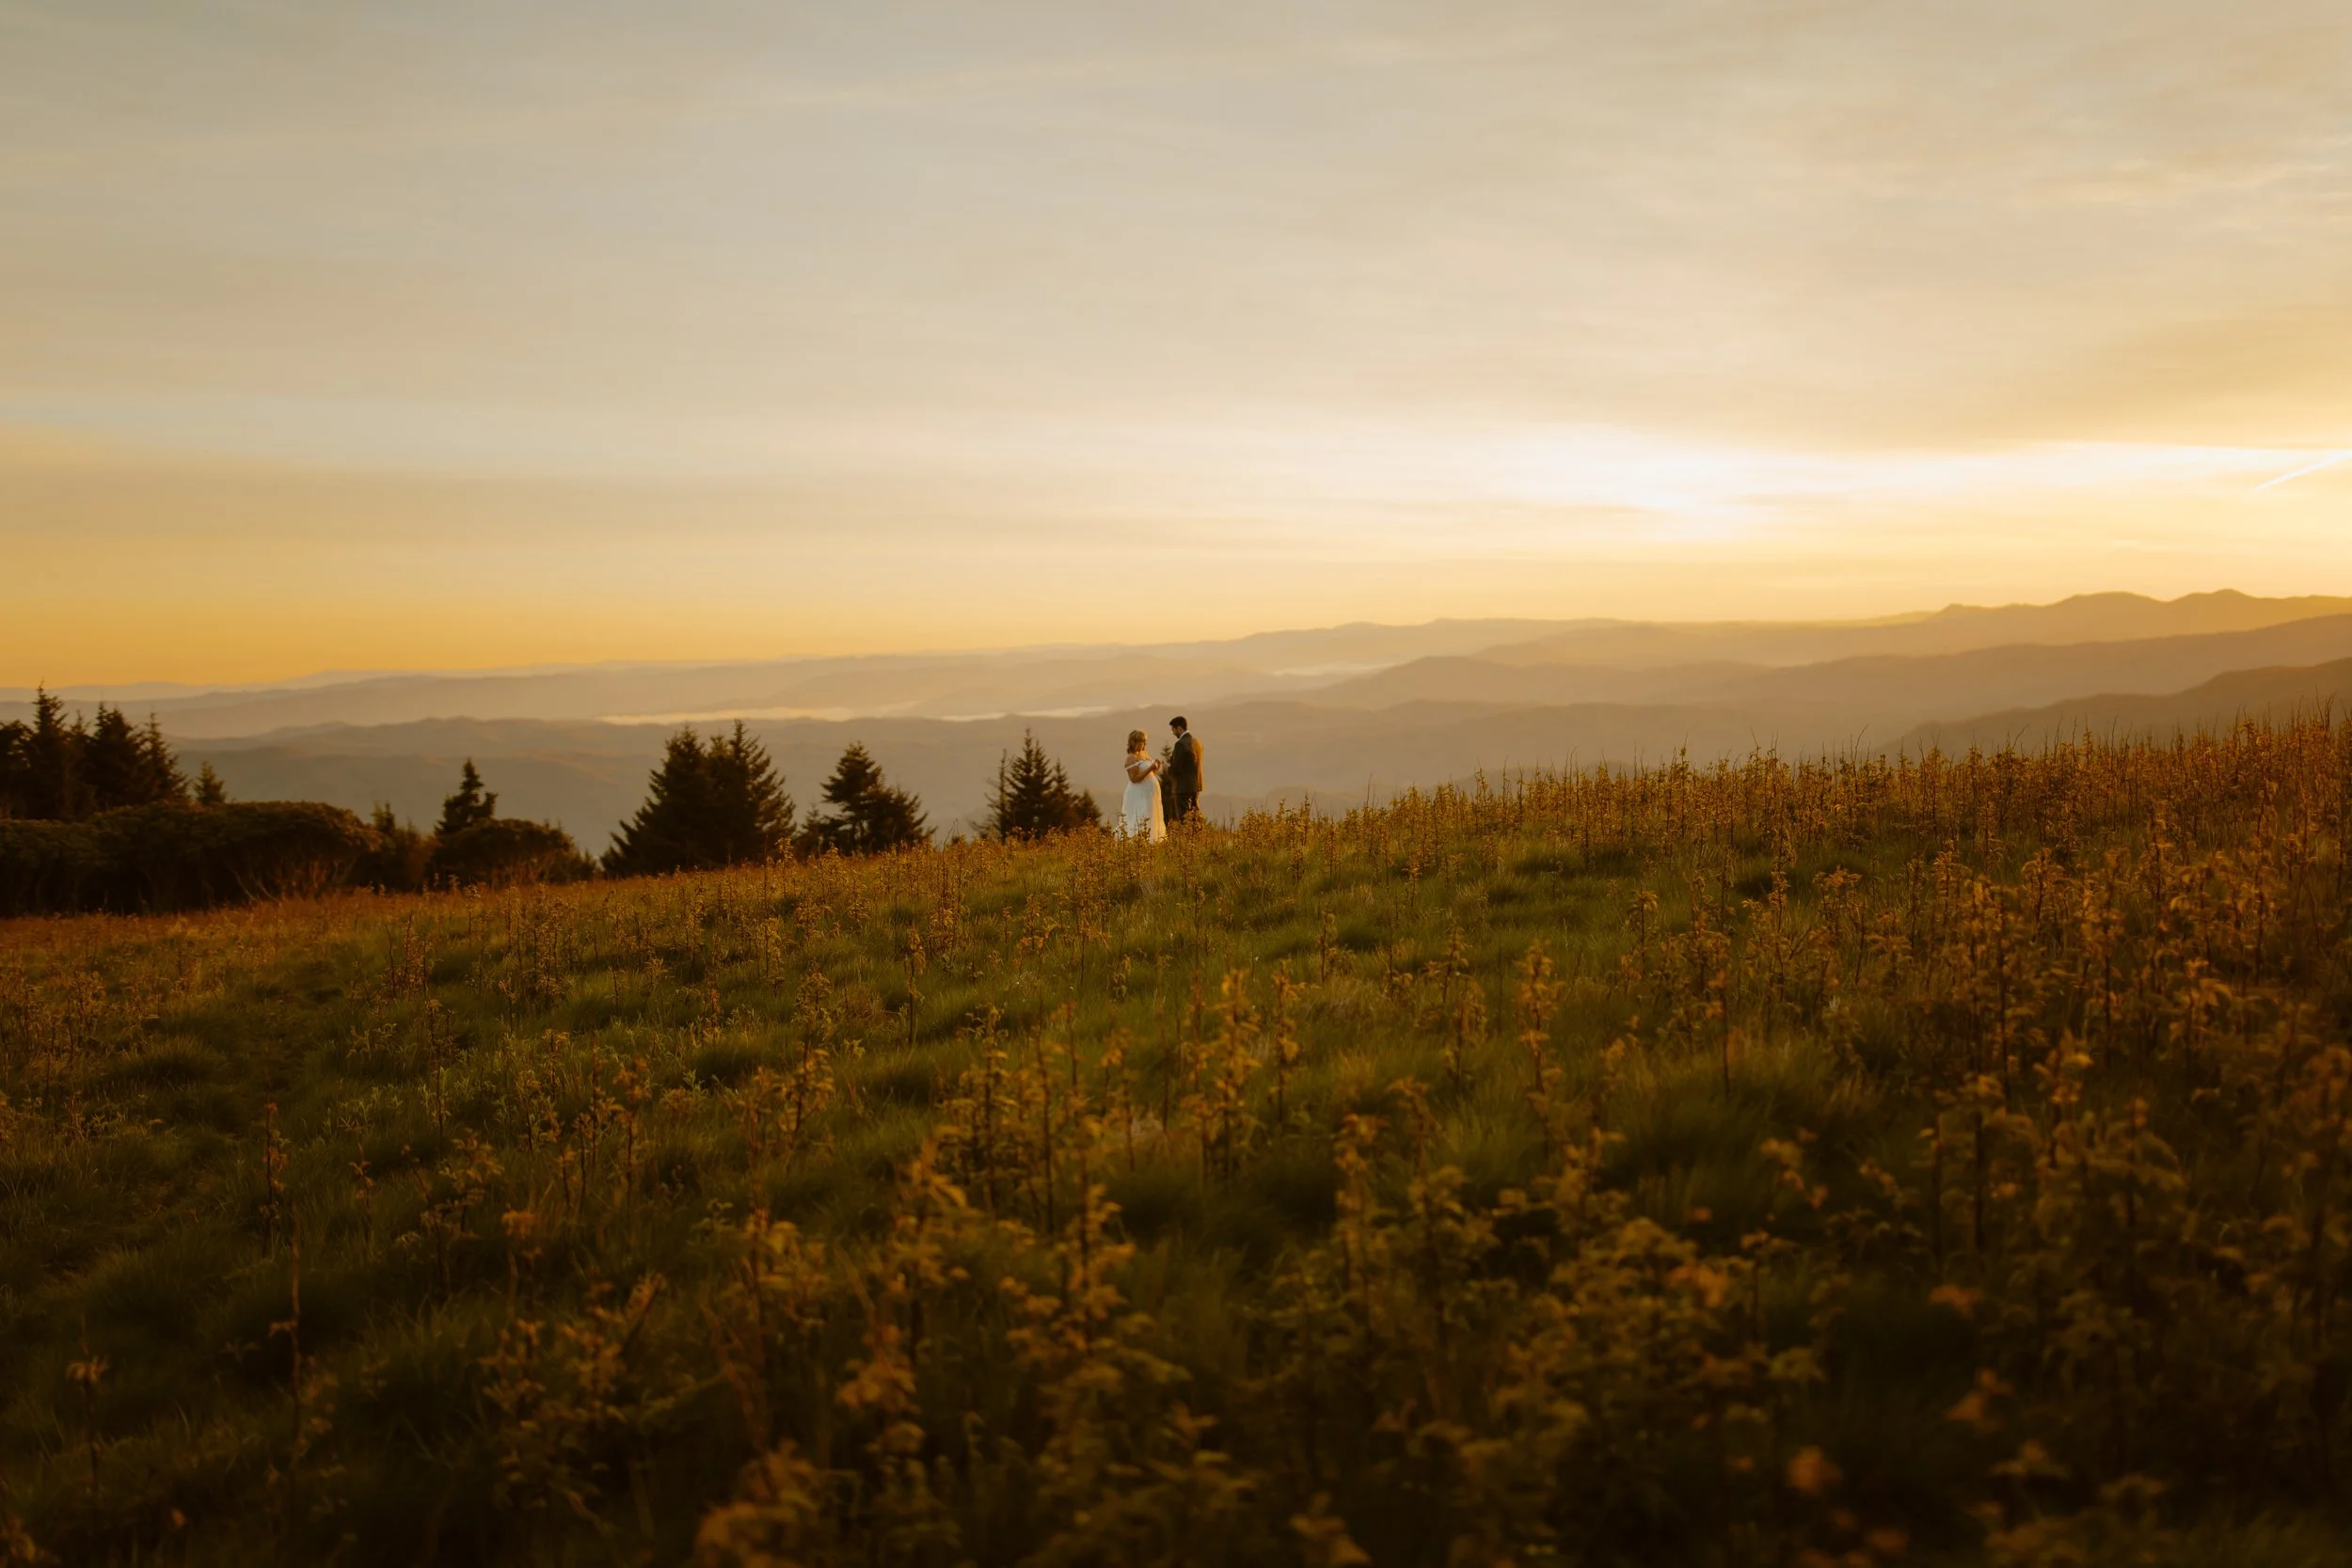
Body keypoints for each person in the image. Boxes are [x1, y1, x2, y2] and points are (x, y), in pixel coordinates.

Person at [1120, 728, 1167, 843]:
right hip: (1139, 793)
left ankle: (1152, 841)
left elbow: (1150, 775)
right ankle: (1138, 842)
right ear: (1136, 742)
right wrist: (1150, 768)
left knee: (1151, 815)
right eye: (1143, 741)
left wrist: (1156, 768)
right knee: (1141, 815)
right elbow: (1134, 779)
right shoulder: (1131, 758)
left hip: (1150, 793)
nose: (1145, 743)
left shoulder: (1144, 754)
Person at [1164, 715, 1203, 825]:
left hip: (1182, 787)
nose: (1173, 733)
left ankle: (1187, 839)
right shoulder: (1197, 742)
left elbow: (1176, 769)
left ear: (1179, 728)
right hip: (1196, 785)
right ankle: (1198, 837)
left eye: (1173, 730)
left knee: (1184, 817)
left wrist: (1167, 768)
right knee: (1195, 816)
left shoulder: (1180, 744)